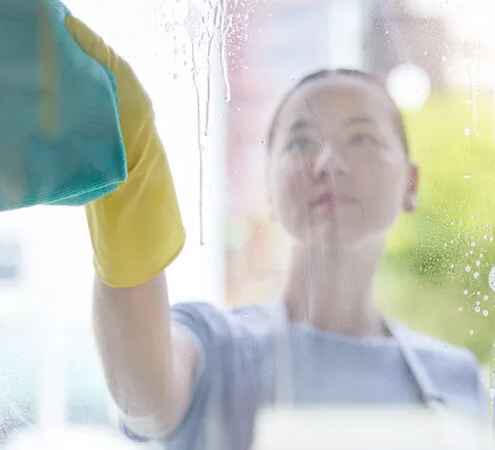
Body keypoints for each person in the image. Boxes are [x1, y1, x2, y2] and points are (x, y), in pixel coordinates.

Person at [64, 15, 490, 450]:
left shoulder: (455, 380)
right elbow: (145, 397)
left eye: (361, 138)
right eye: (301, 142)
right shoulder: (215, 346)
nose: (328, 163)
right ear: (268, 187)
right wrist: (126, 171)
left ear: (410, 184)